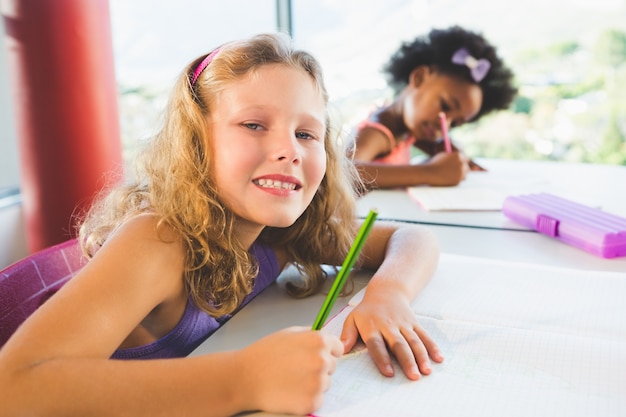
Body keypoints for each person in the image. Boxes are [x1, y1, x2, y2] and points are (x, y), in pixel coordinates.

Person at [0, 33, 443, 416]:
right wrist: (244, 379)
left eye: (306, 134)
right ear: (196, 144)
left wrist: (389, 295)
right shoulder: (160, 240)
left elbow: (412, 238)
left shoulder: (280, 235)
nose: (288, 149)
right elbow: (13, 390)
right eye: (254, 124)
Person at [350, 25, 517, 189]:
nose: (444, 123)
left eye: (454, 123)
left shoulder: (404, 128)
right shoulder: (378, 132)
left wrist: (443, 151)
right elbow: (345, 172)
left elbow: (426, 142)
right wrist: (430, 172)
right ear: (420, 77)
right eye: (445, 106)